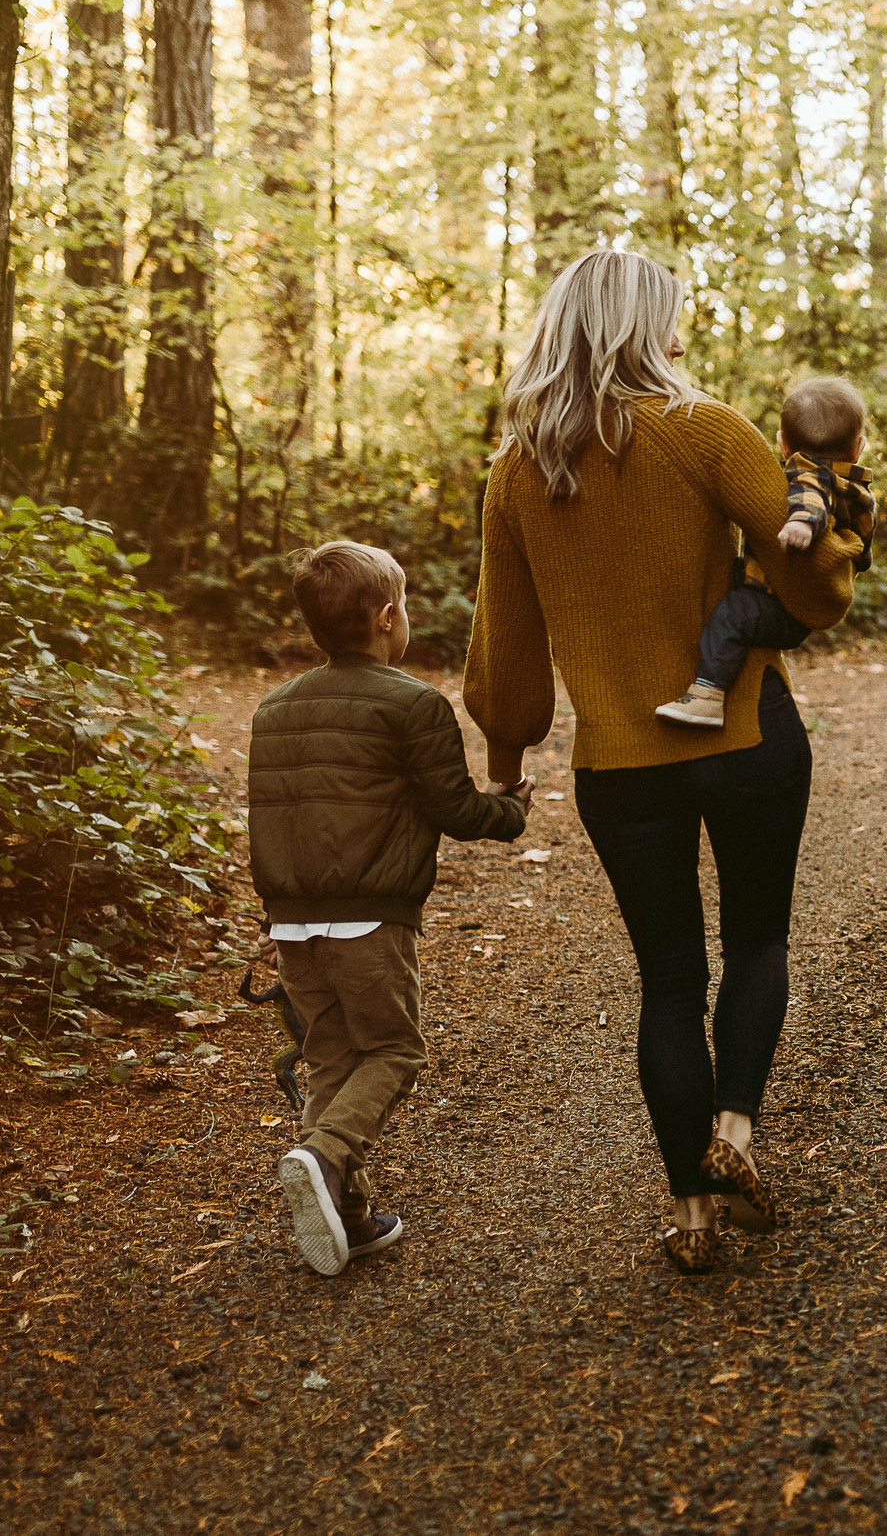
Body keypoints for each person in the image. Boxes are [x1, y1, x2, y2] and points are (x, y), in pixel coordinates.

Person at [463, 250, 863, 1273]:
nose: (681, 333)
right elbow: (811, 588)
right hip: (743, 739)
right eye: (671, 317)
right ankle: (733, 1131)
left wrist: (504, 769)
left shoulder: (518, 468)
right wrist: (838, 542)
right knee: (758, 942)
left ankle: (690, 1210)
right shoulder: (706, 430)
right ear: (645, 326)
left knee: (668, 981)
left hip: (620, 766)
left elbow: (506, 664)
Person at [248, 540, 533, 1276]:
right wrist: (509, 811)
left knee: (333, 1055)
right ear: (385, 618)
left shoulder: (273, 710)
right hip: (370, 917)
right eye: (403, 607)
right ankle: (322, 1153)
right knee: (396, 1048)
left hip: (293, 921)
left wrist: (274, 913)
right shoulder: (413, 704)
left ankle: (348, 1212)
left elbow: (275, 815)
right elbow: (454, 807)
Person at [658, 376, 878, 729]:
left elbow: (811, 497)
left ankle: (707, 694)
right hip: (801, 611)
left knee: (731, 616)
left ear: (782, 445)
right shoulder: (860, 491)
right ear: (859, 447)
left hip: (777, 604)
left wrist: (802, 525)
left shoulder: (810, 474)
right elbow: (864, 546)